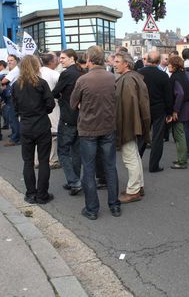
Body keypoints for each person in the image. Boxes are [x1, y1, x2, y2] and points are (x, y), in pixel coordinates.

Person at [71, 45, 121, 220]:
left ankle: (92, 209)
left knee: (89, 169)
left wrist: (82, 105)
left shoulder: (83, 80)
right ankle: (114, 205)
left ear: (89, 60)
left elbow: (72, 103)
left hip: (88, 128)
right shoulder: (112, 77)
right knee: (110, 167)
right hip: (108, 126)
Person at [12, 55, 56, 204]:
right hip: (42, 124)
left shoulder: (16, 86)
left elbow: (15, 107)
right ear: (36, 66)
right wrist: (42, 111)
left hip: (26, 125)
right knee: (44, 161)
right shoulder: (42, 84)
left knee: (28, 161)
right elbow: (50, 104)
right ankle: (42, 194)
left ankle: (31, 194)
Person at [114, 52, 151, 203]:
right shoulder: (133, 77)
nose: (114, 64)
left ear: (126, 64)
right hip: (132, 123)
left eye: (117, 61)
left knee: (130, 157)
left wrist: (124, 127)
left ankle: (133, 190)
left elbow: (128, 106)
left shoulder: (127, 79)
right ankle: (138, 186)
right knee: (134, 155)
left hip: (127, 124)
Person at [53, 49, 83, 195]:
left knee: (63, 151)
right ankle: (75, 180)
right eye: (60, 58)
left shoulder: (67, 74)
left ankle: (74, 181)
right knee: (76, 151)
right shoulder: (81, 72)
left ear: (72, 58)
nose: (60, 60)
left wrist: (60, 96)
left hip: (67, 117)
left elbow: (54, 92)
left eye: (63, 58)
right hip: (80, 117)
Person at [137, 51, 173, 173]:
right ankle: (154, 165)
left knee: (142, 137)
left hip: (143, 109)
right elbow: (168, 96)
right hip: (159, 109)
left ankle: (136, 163)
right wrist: (169, 112)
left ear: (147, 60)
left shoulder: (139, 74)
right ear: (158, 62)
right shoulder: (163, 76)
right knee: (157, 138)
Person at [168, 56, 189, 169]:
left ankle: (182, 160)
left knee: (179, 135)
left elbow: (180, 94)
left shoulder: (175, 76)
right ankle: (181, 158)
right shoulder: (182, 74)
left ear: (174, 65)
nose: (168, 66)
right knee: (181, 134)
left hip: (180, 110)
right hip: (185, 107)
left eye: (169, 64)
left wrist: (175, 110)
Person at [39, 53, 61, 169]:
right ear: (52, 62)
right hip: (53, 107)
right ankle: (52, 160)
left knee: (39, 134)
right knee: (53, 134)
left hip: (38, 108)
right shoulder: (55, 74)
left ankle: (38, 160)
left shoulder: (37, 72)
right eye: (56, 60)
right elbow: (61, 88)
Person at [2, 54, 21, 146]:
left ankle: (15, 138)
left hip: (13, 97)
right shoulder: (15, 70)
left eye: (11, 60)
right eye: (8, 60)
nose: (9, 62)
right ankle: (16, 134)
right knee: (15, 118)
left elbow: (4, 81)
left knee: (13, 118)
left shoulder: (15, 70)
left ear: (16, 61)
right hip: (15, 96)